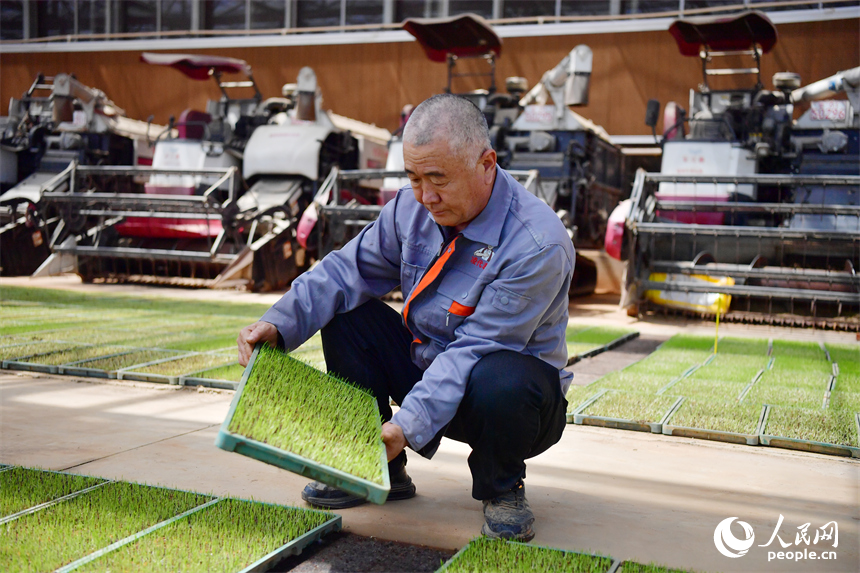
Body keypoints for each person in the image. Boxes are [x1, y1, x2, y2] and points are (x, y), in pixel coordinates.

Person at [237, 93, 574, 542]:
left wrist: (405, 425)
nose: (426, 196)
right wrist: (279, 322)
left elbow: (476, 349)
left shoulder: (537, 244)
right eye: (414, 177)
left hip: (507, 402)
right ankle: (379, 466)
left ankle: (503, 486)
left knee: (504, 377)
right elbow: (346, 270)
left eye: (438, 179)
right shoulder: (410, 209)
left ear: (487, 163)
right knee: (347, 312)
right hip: (428, 365)